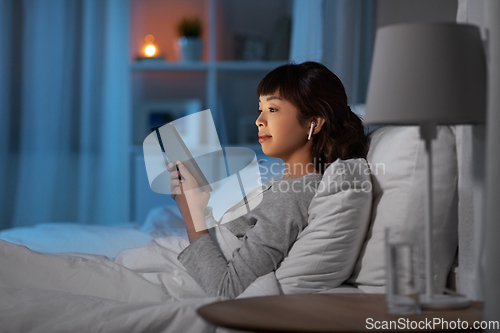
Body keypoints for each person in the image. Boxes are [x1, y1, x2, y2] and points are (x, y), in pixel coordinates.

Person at [167, 61, 368, 299]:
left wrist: (191, 213)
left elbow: (225, 290)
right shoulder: (287, 185)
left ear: (314, 122)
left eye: (272, 109)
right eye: (260, 109)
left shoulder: (292, 195)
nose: (259, 120)